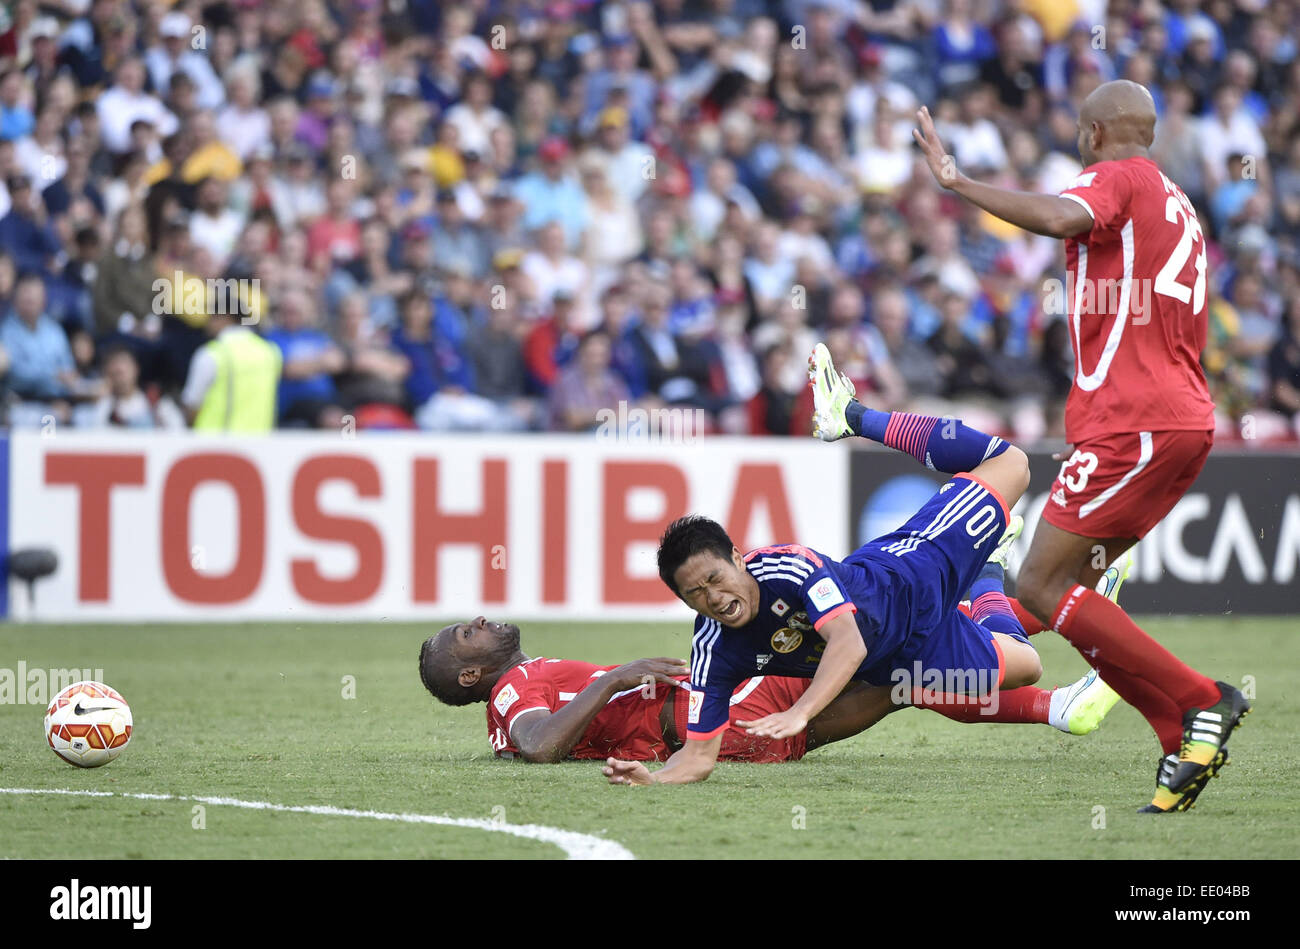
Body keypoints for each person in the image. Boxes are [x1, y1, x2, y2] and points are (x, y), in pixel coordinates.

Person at [912, 78, 1250, 812]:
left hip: (1132, 418)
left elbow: (1066, 216)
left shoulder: (1115, 175)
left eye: (1077, 128)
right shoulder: (1175, 198)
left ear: (1097, 133)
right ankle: (1179, 737)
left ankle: (1200, 699)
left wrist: (957, 181)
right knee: (1068, 586)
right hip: (1180, 418)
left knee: (1034, 585)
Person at [602, 345, 1138, 793]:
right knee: (1027, 668)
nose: (712, 598)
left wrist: (802, 712)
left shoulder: (788, 568)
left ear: (739, 559)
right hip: (911, 654)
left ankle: (853, 417)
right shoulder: (713, 648)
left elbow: (848, 643)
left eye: (715, 579)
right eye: (694, 594)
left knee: (1011, 462)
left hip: (915, 568)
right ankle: (989, 570)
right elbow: (699, 757)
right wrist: (656, 779)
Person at [420, 610, 1119, 766]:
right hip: (716, 720)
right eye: (463, 635)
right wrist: (621, 679)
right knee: (893, 665)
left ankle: (1052, 692)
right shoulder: (511, 692)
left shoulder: (527, 673)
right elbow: (537, 746)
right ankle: (1023, 612)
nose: (476, 621)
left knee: (890, 662)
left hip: (729, 694)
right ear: (472, 675)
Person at [179, 309, 281, 432]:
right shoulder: (271, 352)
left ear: (225, 317)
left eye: (211, 317)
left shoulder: (212, 354)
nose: (207, 324)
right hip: (260, 443)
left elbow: (192, 405)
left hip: (215, 445)